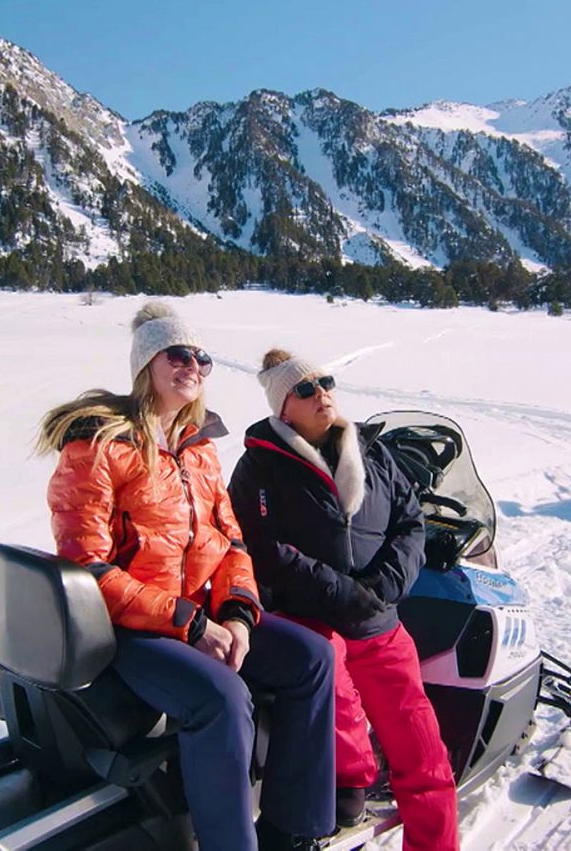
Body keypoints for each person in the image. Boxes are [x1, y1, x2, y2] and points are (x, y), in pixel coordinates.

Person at [36, 304, 337, 851]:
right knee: (220, 699)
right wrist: (190, 624)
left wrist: (238, 614)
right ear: (146, 363)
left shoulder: (199, 449)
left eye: (201, 357)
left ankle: (290, 830)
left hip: (204, 614)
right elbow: (87, 565)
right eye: (177, 354)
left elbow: (231, 544)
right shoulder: (99, 446)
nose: (192, 366)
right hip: (130, 629)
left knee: (311, 659)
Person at [228, 349, 459, 851]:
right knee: (335, 697)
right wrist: (342, 593)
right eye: (305, 389)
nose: (322, 393)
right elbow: (264, 550)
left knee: (421, 747)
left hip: (378, 622)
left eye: (325, 382)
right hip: (310, 621)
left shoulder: (372, 452)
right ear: (282, 406)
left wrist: (380, 588)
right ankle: (349, 789)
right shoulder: (258, 466)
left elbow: (410, 523)